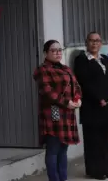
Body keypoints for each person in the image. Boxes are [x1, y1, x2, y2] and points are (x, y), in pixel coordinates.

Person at [33, 40, 82, 181]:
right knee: (53, 149)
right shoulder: (42, 70)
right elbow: (48, 92)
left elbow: (76, 86)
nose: (57, 53)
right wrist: (67, 102)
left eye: (59, 50)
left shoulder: (66, 68)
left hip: (68, 113)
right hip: (53, 113)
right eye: (53, 50)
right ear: (45, 53)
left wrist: (78, 99)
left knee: (63, 150)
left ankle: (63, 178)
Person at [74, 32, 108, 180]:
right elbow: (84, 83)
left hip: (107, 105)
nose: (95, 43)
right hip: (91, 106)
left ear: (101, 43)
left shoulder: (104, 58)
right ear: (86, 43)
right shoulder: (81, 60)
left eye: (97, 41)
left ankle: (106, 168)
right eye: (91, 41)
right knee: (93, 139)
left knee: (105, 139)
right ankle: (95, 170)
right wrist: (98, 98)